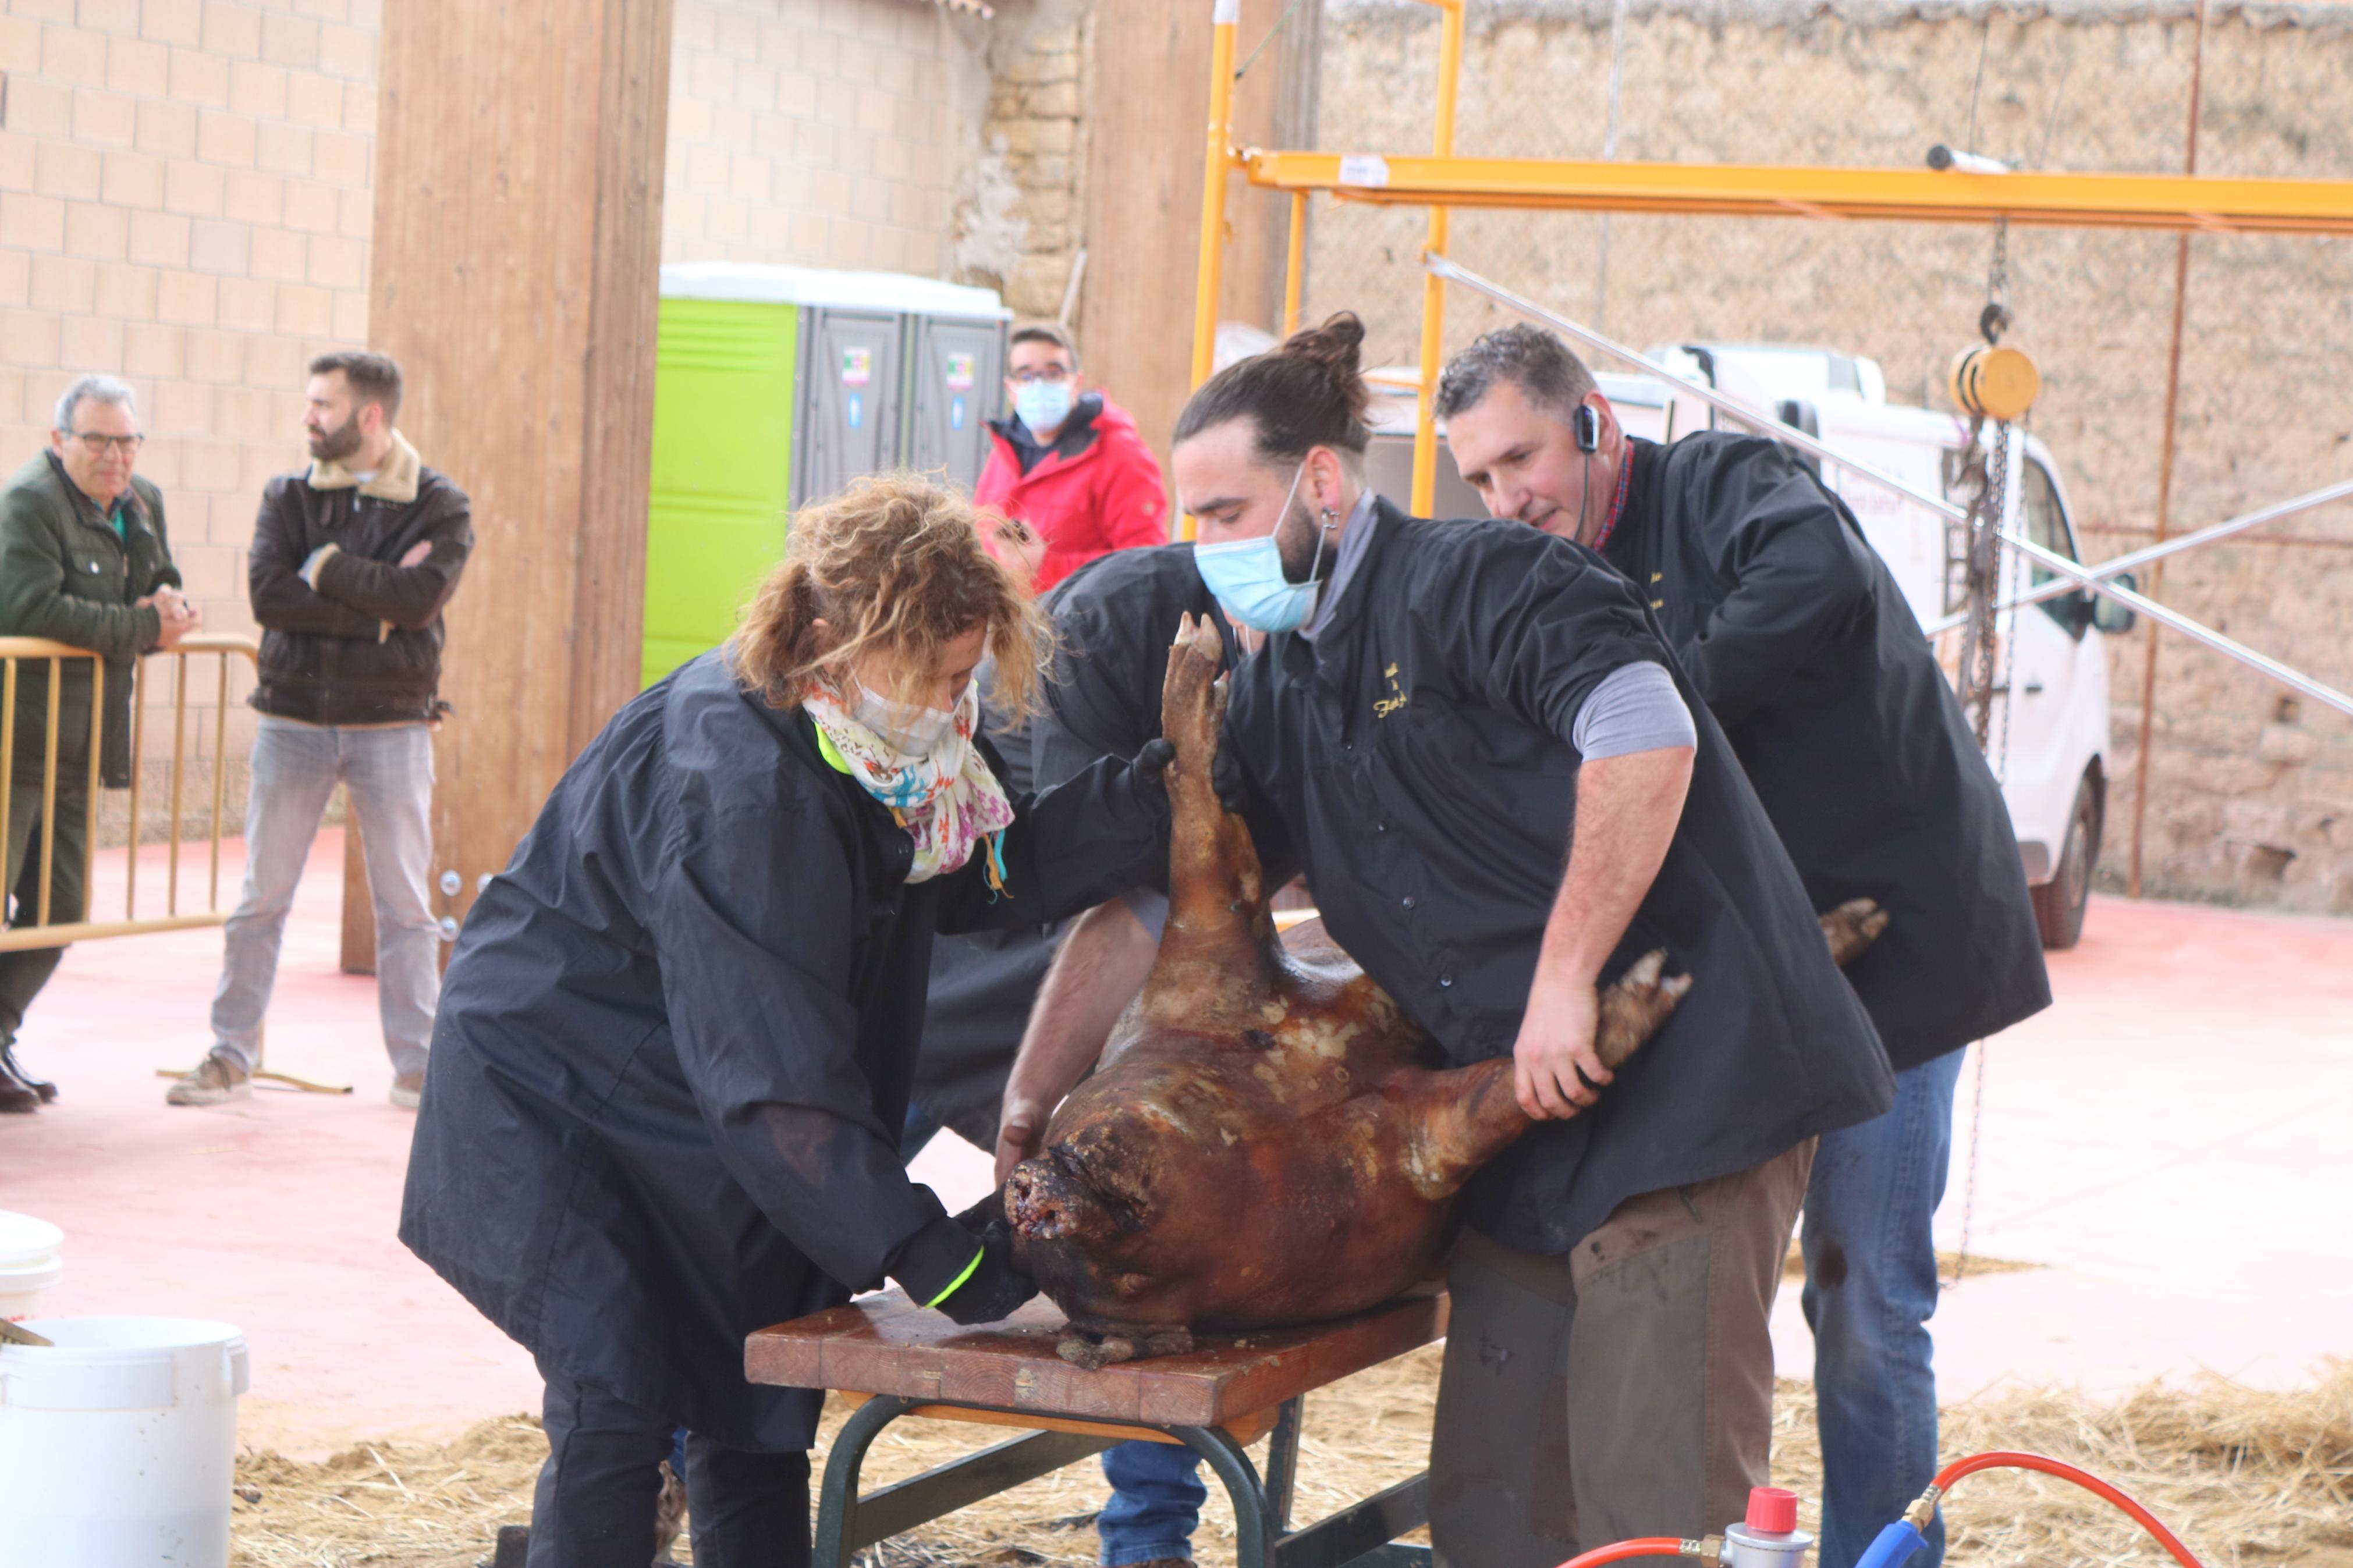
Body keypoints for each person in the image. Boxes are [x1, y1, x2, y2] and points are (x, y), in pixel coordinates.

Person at [1170, 315, 1894, 1565]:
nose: (1206, 549)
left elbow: (1641, 731)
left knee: (1651, 1513)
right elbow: (1200, 868)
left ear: (1321, 484)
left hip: (1685, 1097)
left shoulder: (1486, 580)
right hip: (1525, 1131)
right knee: (1492, 1515)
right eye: (1190, 521)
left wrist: (1563, 981)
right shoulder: (1290, 682)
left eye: (1226, 511)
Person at [399, 475, 1182, 1568]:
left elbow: (974, 876)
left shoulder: (889, 746)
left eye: (967, 673)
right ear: (830, 637)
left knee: (758, 1389)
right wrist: (939, 1259)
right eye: (935, 674)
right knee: (619, 1392)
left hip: (698, 1090)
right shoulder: (739, 780)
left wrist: (1151, 803)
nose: (952, 701)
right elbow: (772, 1082)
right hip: (566, 1093)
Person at [1436, 326, 2052, 1568]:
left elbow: (1814, 578)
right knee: (1710, 1277)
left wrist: (1645, 715)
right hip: (1758, 964)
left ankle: (1875, 1555)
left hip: (1887, 943)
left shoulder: (1726, 486)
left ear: (1595, 424)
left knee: (1861, 1298)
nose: (1507, 501)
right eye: (1479, 482)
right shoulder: (1534, 578)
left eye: (1521, 459)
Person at [165, 352, 473, 1110]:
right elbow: (271, 596)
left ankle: (418, 1068)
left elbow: (420, 600)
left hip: (393, 725)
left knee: (404, 906)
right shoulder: (285, 494)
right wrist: (376, 603)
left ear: (369, 416)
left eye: (322, 405)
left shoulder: (441, 504)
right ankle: (230, 1053)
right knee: (259, 900)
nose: (308, 416)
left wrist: (327, 565)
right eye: (309, 402)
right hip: (292, 720)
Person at [0, 375, 197, 1113]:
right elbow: (31, 607)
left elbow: (155, 578)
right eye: (97, 441)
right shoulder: (28, 502)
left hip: (81, 747)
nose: (114, 456)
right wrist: (147, 628)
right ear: (59, 441)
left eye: (126, 440)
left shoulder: (141, 500)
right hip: (14, 740)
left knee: (60, 910)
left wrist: (171, 600)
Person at [976, 322, 1170, 593]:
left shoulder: (1121, 455)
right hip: (1011, 622)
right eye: (1027, 375)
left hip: (1082, 627)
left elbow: (1144, 565)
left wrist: (1046, 566)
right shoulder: (1004, 452)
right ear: (1011, 389)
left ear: (1076, 382)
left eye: (1053, 373)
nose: (1040, 385)